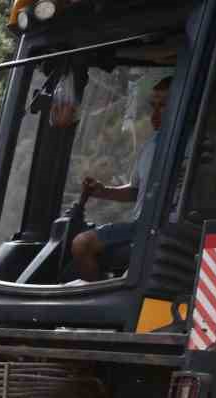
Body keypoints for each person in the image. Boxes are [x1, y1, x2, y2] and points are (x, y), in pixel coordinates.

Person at [71, 76, 172, 281]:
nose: (155, 113)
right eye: (153, 105)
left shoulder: (196, 147)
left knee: (82, 244)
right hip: (141, 223)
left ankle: (96, 304)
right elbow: (136, 191)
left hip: (161, 227)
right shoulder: (151, 145)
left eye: (163, 105)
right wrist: (104, 190)